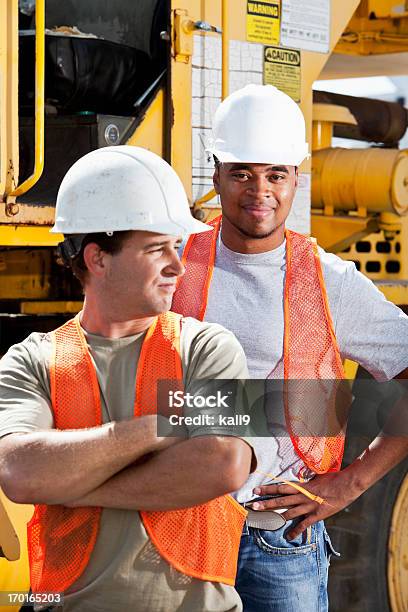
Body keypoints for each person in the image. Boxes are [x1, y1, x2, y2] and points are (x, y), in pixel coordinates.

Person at [172, 84, 408, 611]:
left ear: (297, 178)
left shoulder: (331, 284)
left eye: (276, 175)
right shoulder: (171, 267)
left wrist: (351, 483)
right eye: (243, 174)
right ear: (216, 174)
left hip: (278, 542)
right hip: (177, 533)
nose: (260, 191)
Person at [0, 146, 256, 612]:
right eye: (158, 248)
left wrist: (69, 483)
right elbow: (20, 472)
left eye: (177, 248)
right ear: (98, 259)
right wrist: (159, 426)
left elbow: (222, 464)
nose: (178, 266)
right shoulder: (32, 359)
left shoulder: (207, 349)